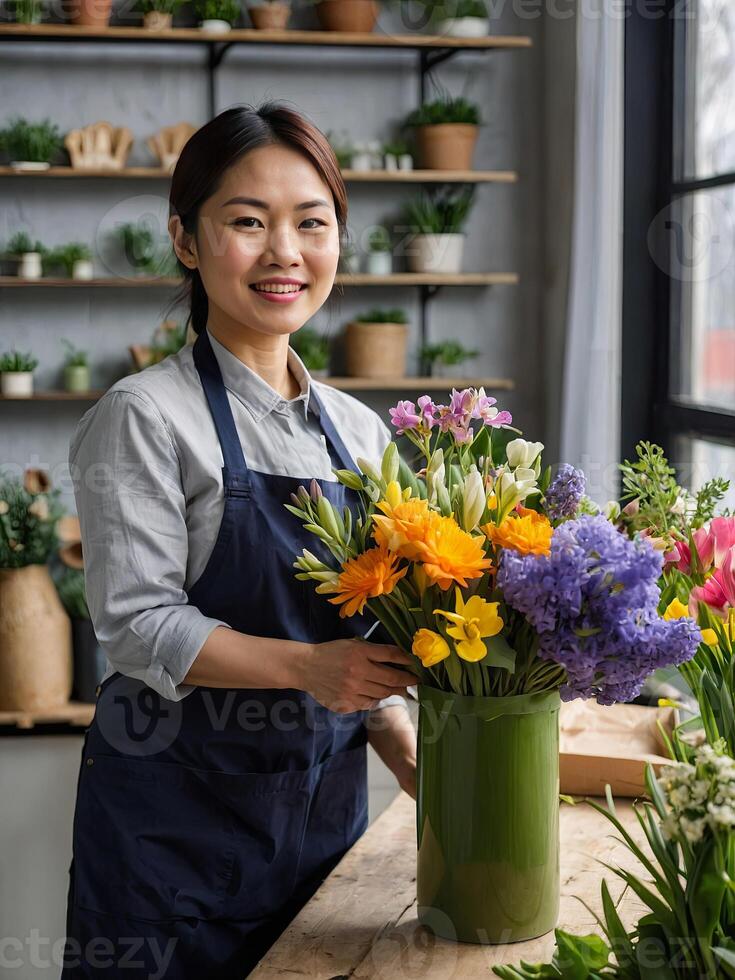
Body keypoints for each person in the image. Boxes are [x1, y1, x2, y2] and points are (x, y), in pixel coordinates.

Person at [61, 101, 417, 980]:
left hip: (317, 824)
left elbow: (371, 637)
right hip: (167, 837)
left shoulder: (359, 434)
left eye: (311, 222)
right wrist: (306, 668)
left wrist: (409, 754)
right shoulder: (144, 416)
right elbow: (138, 627)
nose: (283, 253)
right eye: (247, 223)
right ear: (186, 240)